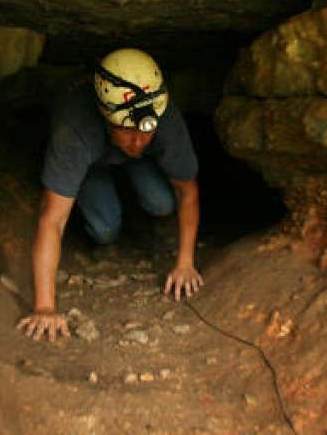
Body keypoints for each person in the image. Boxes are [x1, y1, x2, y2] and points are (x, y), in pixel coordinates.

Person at [17, 48, 204, 341]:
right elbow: (52, 219)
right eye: (127, 130)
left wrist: (185, 263)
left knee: (162, 202)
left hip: (137, 163)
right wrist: (44, 307)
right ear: (105, 119)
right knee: (105, 229)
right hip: (93, 165)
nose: (139, 139)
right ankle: (111, 209)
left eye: (146, 130)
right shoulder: (75, 130)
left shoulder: (163, 117)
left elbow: (187, 192)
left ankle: (134, 201)